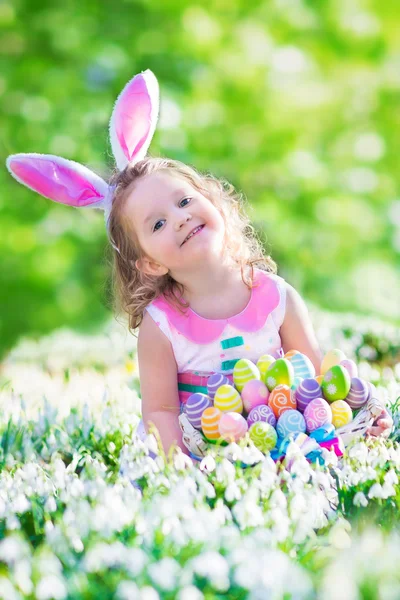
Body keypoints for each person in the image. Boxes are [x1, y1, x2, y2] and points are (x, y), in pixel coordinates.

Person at [6, 69, 392, 462]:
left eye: (184, 201)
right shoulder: (162, 326)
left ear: (214, 203)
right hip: (205, 456)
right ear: (150, 263)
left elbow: (316, 383)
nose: (178, 218)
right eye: (157, 223)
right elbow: (160, 411)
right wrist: (187, 474)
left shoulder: (276, 296)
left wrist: (360, 417)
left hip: (283, 446)